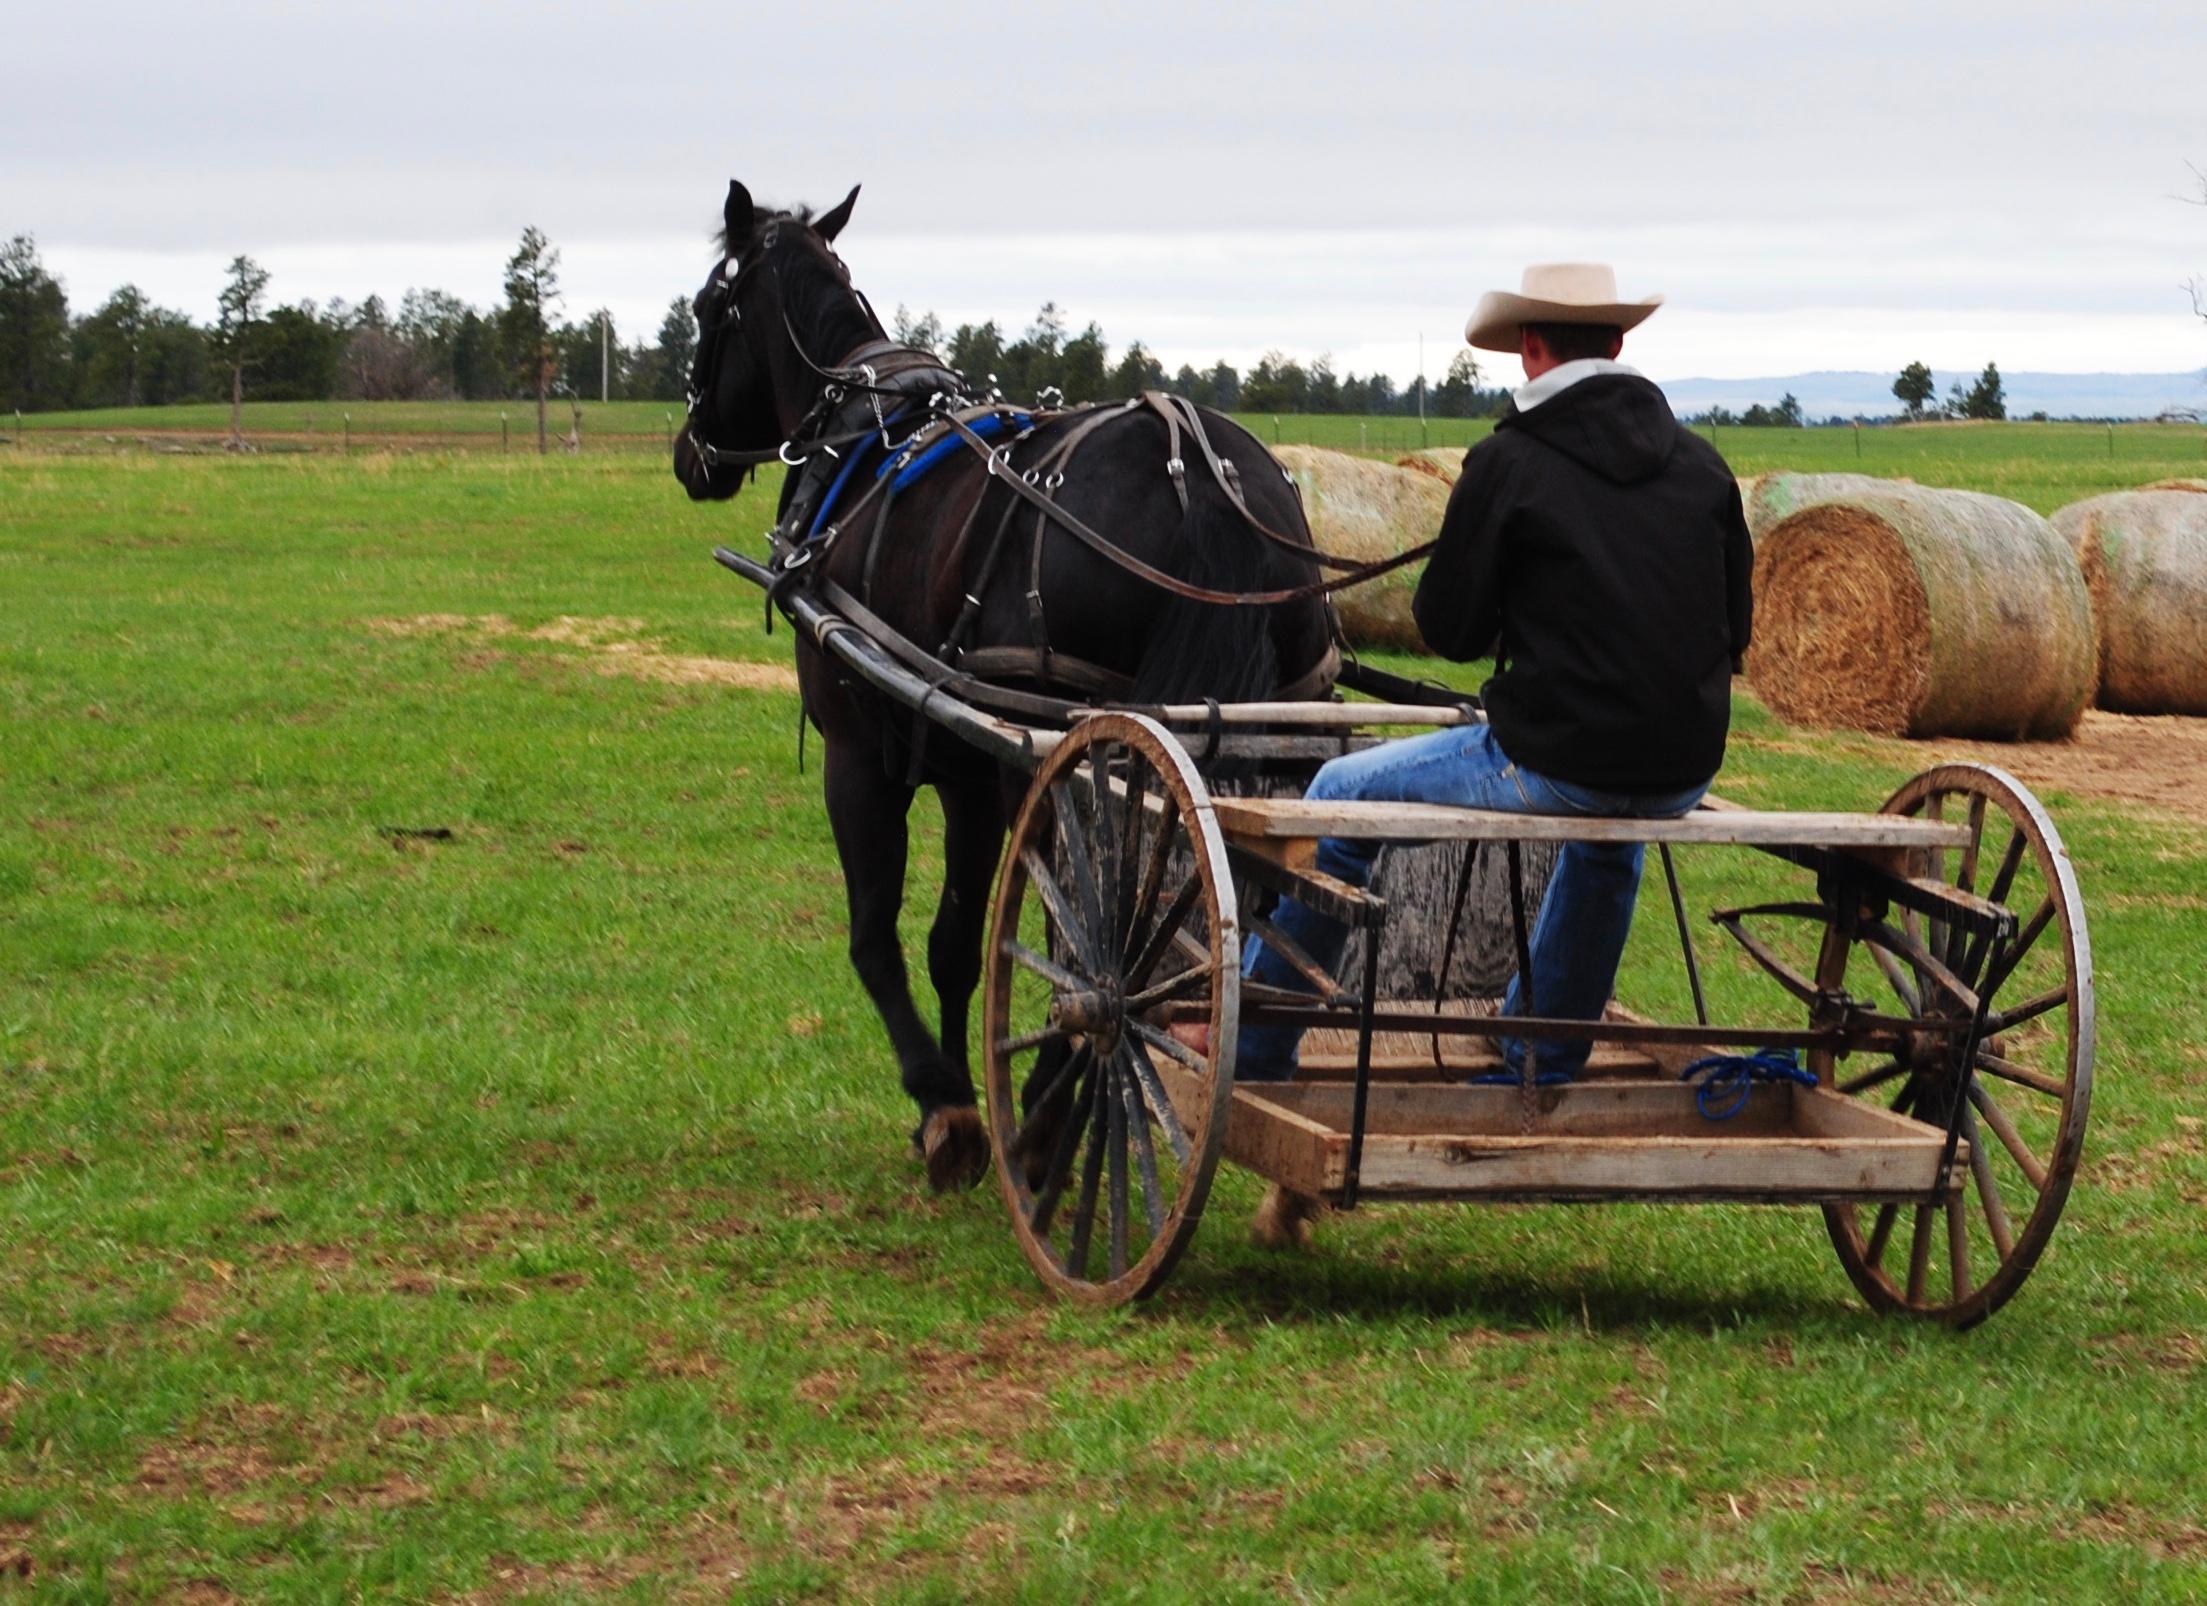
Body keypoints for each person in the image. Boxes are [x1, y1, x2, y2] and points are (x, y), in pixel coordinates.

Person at [1233, 262, 1754, 1090]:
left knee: (1340, 791)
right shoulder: (1700, 465)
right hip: (1681, 770)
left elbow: (1449, 630)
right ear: (1618, 345)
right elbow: (1738, 631)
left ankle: (1255, 1046)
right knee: (1608, 849)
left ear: (1529, 348)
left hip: (1557, 759)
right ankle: (1542, 1054)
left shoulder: (1507, 462)